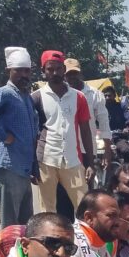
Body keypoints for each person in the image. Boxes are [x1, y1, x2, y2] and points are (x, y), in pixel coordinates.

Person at [0, 47, 41, 227]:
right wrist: (3, 136)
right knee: (9, 226)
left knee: (25, 225)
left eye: (26, 71)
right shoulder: (5, 93)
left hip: (24, 168)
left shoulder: (26, 96)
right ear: (8, 71)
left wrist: (34, 167)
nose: (23, 75)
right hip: (9, 166)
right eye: (18, 70)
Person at [33, 50, 95, 218]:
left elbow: (86, 131)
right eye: (50, 69)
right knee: (48, 211)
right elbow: (32, 133)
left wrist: (90, 163)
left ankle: (87, 236)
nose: (55, 73)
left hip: (73, 160)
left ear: (64, 70)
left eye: (58, 68)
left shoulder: (78, 97)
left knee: (85, 208)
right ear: (43, 71)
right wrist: (32, 165)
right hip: (46, 160)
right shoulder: (36, 98)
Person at [64, 58, 114, 174]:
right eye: (69, 74)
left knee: (87, 183)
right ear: (64, 76)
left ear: (80, 73)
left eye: (75, 73)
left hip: (87, 149)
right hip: (65, 150)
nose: (72, 77)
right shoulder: (60, 95)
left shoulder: (94, 94)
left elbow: (104, 123)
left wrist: (107, 150)